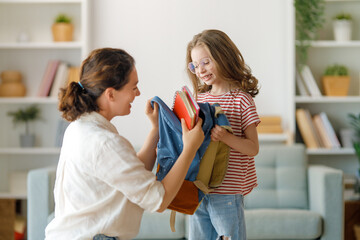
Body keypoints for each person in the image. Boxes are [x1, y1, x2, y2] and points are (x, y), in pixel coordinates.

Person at [44, 48, 204, 240]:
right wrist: (189, 149)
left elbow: (133, 178)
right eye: (133, 87)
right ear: (110, 94)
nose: (138, 93)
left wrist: (155, 130)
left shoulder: (81, 127)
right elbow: (158, 199)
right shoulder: (104, 142)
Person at [186, 29, 260, 240]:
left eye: (206, 62)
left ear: (224, 56)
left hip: (227, 192)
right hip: (198, 189)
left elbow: (253, 148)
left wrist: (227, 138)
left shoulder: (241, 100)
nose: (200, 70)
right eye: (195, 65)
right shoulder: (198, 99)